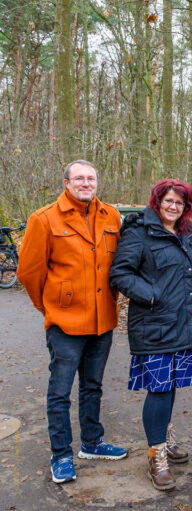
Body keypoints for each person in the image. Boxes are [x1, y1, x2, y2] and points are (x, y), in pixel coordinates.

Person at [17, 160, 127, 484]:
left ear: (97, 182)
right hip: (64, 323)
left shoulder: (111, 216)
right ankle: (61, 454)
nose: (85, 182)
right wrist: (50, 307)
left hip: (102, 320)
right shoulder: (44, 218)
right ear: (65, 182)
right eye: (78, 178)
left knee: (93, 386)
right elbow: (28, 272)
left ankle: (92, 443)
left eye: (91, 178)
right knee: (60, 392)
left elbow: (119, 263)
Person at [109, 179, 192, 490]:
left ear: (186, 207)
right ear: (157, 201)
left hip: (184, 324)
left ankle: (163, 440)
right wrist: (153, 296)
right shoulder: (139, 232)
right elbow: (120, 274)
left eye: (179, 203)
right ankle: (156, 457)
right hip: (154, 325)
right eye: (168, 200)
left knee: (170, 388)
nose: (173, 206)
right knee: (159, 389)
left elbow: (188, 272)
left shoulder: (184, 235)